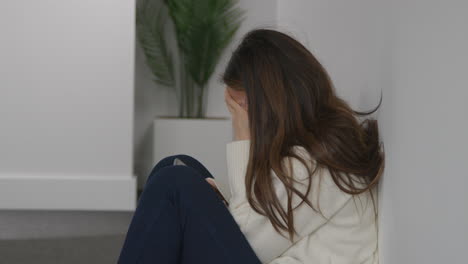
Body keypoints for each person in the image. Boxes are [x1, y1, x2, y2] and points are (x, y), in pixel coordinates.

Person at [118, 28, 384, 264]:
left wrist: (243, 136)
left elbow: (247, 239)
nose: (239, 116)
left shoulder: (315, 165)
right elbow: (261, 219)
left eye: (240, 107)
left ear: (271, 100)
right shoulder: (318, 147)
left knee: (174, 182)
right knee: (177, 166)